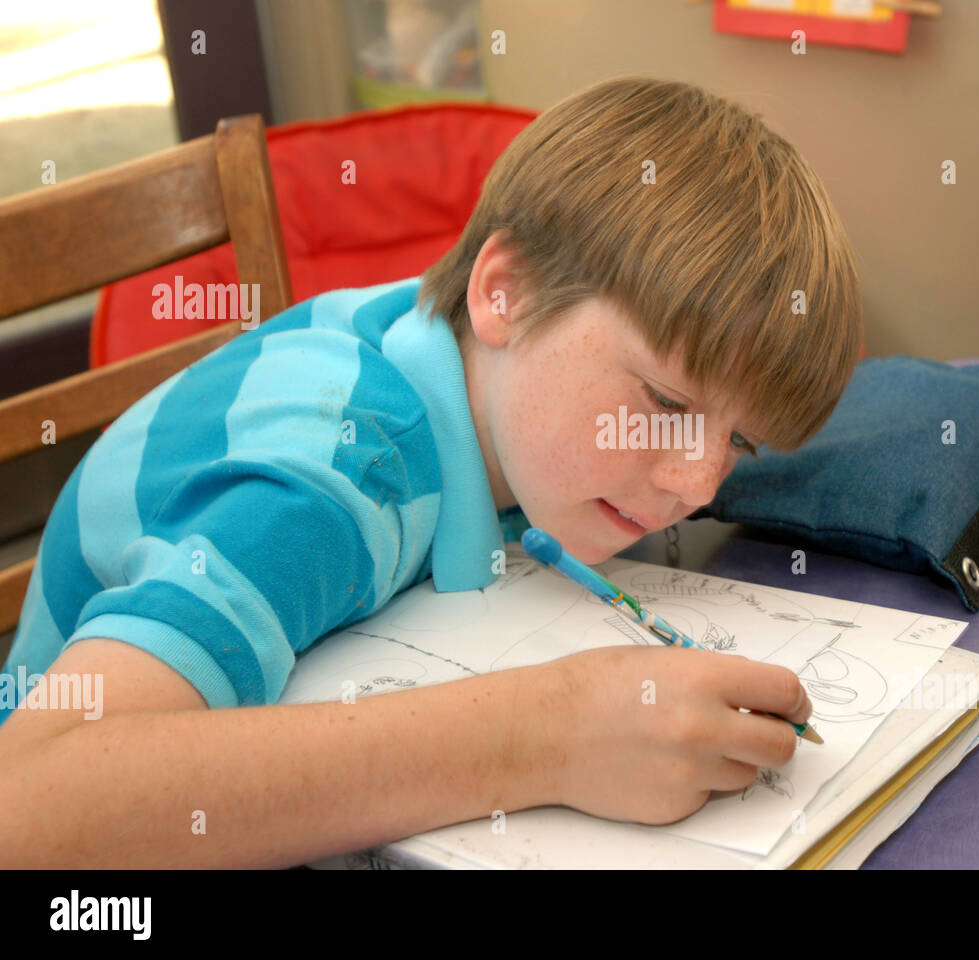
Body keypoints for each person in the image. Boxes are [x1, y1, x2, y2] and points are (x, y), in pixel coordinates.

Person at [0, 75, 862, 867]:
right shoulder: (333, 475)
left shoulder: (502, 402)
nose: (699, 483)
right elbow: (29, 805)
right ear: (507, 292)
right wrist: (546, 738)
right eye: (667, 406)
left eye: (739, 443)